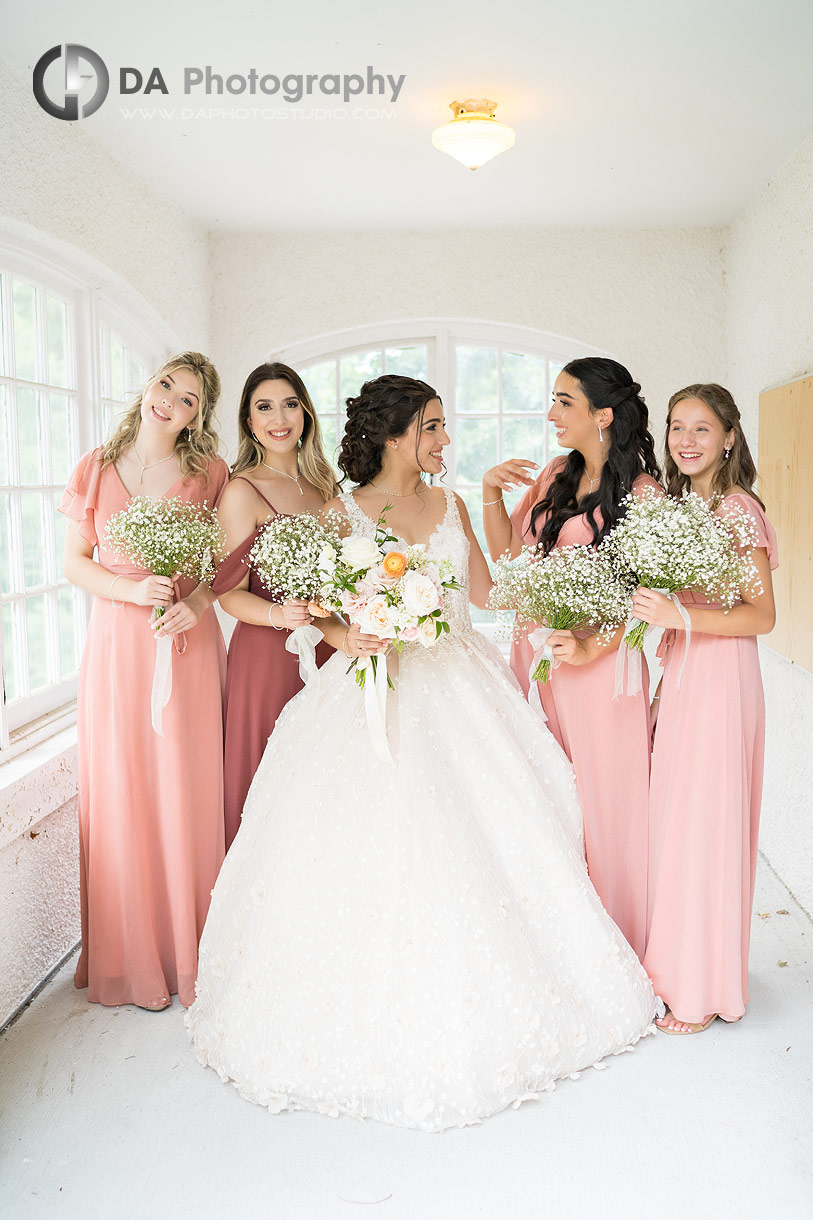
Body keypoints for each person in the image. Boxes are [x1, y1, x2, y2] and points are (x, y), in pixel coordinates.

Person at [186, 374, 660, 1132]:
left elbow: (488, 592)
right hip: (371, 687)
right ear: (395, 432)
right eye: (433, 426)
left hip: (458, 681)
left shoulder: (452, 504)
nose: (443, 439)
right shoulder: (340, 512)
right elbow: (324, 613)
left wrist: (585, 589)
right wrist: (351, 634)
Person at [60, 352, 229, 1010]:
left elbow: (231, 563)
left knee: (182, 788)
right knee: (122, 784)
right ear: (149, 386)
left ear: (198, 417)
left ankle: (189, 954)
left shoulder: (208, 474)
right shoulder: (95, 466)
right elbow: (74, 562)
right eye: (167, 386)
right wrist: (128, 594)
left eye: (188, 399)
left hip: (181, 644)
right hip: (116, 647)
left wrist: (197, 601)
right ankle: (127, 957)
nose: (170, 402)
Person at [482, 357, 662, 958]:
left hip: (599, 666)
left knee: (606, 806)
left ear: (602, 415)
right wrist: (488, 492)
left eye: (564, 401)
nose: (551, 412)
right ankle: (560, 950)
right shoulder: (556, 473)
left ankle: (619, 949)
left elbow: (644, 596)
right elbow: (509, 553)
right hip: (536, 657)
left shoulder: (642, 493)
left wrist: (588, 645)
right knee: (545, 797)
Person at [632, 384, 777, 1034]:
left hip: (722, 677)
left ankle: (703, 988)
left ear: (727, 437)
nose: (685, 441)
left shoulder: (737, 509)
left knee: (707, 826)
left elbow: (761, 615)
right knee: (677, 822)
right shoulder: (679, 507)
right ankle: (677, 971)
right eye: (675, 428)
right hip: (686, 670)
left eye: (700, 428)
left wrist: (676, 613)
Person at [212, 363, 339, 850]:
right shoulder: (244, 489)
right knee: (269, 782)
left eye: (289, 404)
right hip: (269, 656)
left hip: (329, 648)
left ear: (305, 412)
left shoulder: (325, 486)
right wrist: (279, 616)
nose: (278, 417)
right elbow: (227, 593)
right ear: (248, 421)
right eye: (264, 407)